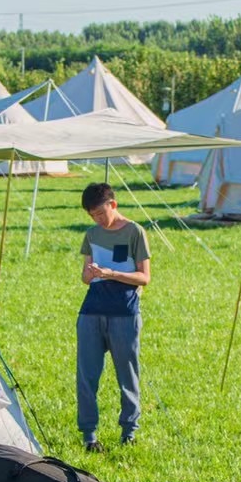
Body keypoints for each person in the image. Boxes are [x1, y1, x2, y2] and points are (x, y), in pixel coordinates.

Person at [76, 182, 151, 451]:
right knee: (86, 376)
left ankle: (129, 431)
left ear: (113, 204)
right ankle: (89, 435)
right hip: (91, 312)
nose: (97, 220)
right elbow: (85, 276)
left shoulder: (135, 232)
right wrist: (91, 274)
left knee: (127, 374)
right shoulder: (92, 234)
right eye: (91, 216)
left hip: (124, 311)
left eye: (99, 213)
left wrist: (112, 274)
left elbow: (145, 277)